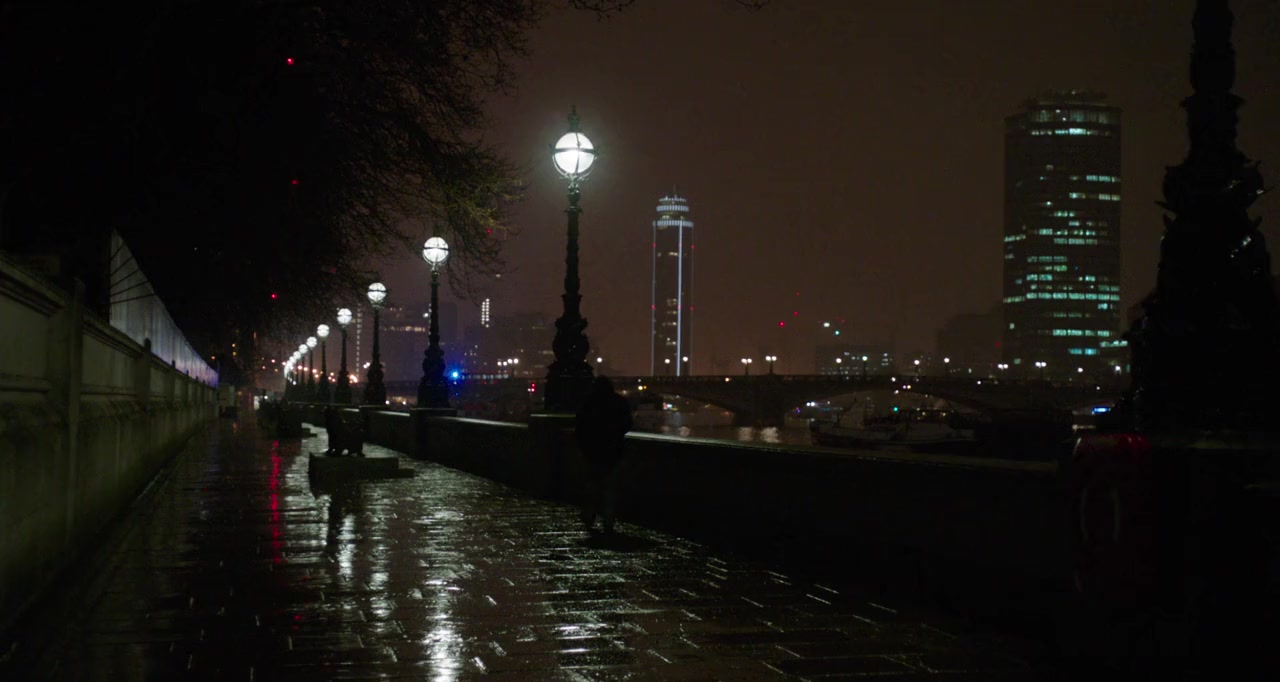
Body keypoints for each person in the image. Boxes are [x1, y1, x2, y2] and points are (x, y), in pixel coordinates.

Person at [575, 376, 633, 534]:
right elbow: (628, 424)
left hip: (592, 450)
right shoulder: (619, 402)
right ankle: (608, 519)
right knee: (610, 487)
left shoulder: (588, 402)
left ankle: (589, 513)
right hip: (613, 450)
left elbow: (580, 426)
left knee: (592, 484)